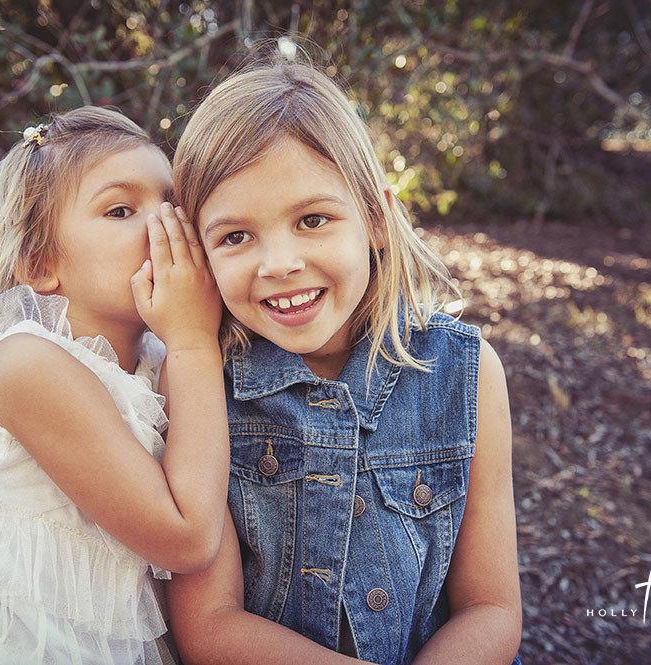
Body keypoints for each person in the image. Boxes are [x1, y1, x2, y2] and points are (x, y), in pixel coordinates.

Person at [166, 60, 523, 665]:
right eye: (235, 237)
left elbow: (491, 608)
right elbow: (209, 628)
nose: (279, 262)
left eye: (313, 220)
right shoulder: (203, 389)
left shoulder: (465, 374)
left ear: (376, 220)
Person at [0, 106, 229, 665]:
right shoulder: (27, 363)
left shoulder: (165, 362)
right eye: (120, 209)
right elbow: (187, 538)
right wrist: (193, 341)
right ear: (39, 263)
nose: (165, 226)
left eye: (172, 202)